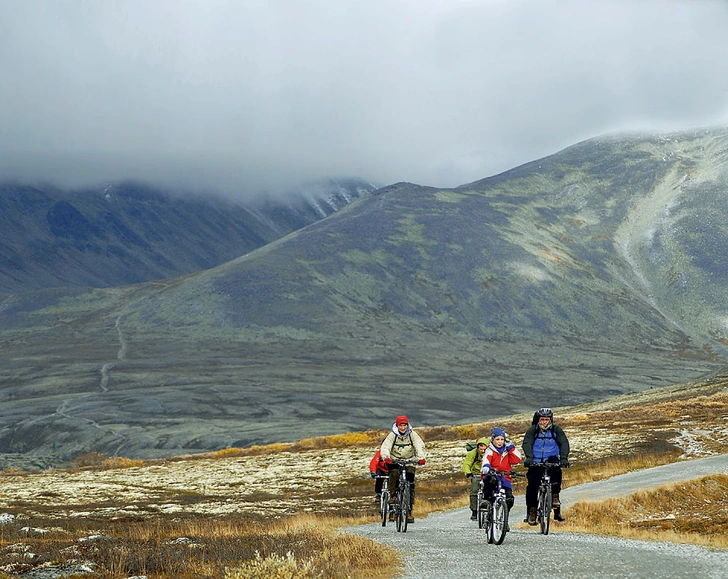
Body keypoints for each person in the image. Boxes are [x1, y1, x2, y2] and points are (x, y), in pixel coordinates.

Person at [522, 407, 570, 525]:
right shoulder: (533, 430)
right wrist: (529, 458)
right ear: (538, 419)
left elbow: (564, 443)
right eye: (542, 419)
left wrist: (563, 458)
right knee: (532, 486)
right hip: (536, 461)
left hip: (552, 459)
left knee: (556, 476)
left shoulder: (556, 430)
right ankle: (532, 512)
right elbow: (527, 443)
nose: (544, 422)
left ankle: (555, 498)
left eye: (546, 419)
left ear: (551, 420)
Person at [380, 415, 426, 523]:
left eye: (405, 425)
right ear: (397, 425)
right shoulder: (392, 435)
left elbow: (419, 446)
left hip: (410, 459)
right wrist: (386, 457)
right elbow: (385, 447)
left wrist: (421, 458)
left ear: (407, 425)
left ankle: (409, 510)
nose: (403, 428)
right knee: (394, 473)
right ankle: (393, 495)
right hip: (394, 460)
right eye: (401, 425)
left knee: (410, 482)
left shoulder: (412, 434)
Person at [480, 427, 522, 529]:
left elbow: (517, 459)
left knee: (509, 499)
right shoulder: (489, 450)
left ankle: (504, 519)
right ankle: (486, 502)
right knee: (490, 483)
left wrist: (511, 448)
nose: (500, 442)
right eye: (497, 439)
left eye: (502, 439)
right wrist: (487, 467)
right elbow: (486, 460)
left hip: (505, 477)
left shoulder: (507, 451)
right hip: (492, 475)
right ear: (493, 440)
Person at [462, 437, 488, 520]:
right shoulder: (473, 453)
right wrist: (468, 472)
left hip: (489, 474)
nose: (483, 451)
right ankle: (474, 511)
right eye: (481, 449)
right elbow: (467, 463)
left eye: (485, 449)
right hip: (476, 474)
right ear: (477, 448)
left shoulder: (491, 453)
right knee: (474, 491)